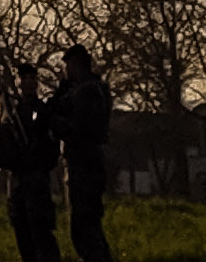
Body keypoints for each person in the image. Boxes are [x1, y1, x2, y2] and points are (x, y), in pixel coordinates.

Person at [50, 46, 114, 262]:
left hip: (83, 161)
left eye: (68, 66)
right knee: (85, 221)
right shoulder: (89, 90)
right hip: (84, 161)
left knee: (83, 223)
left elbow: (78, 128)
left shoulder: (87, 92)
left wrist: (55, 123)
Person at [0, 69, 58, 262]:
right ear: (20, 83)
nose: (29, 83)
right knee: (23, 235)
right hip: (18, 181)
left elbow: (43, 135)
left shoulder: (40, 110)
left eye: (32, 79)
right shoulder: (14, 111)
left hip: (37, 180)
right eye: (25, 79)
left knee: (42, 236)